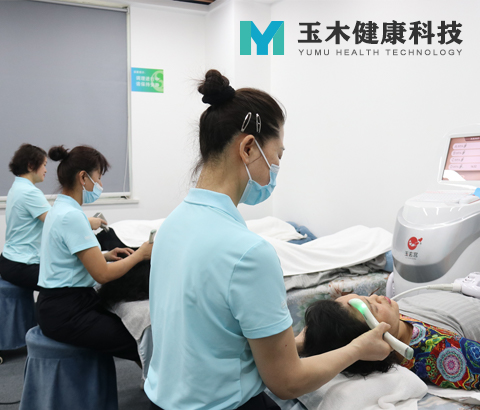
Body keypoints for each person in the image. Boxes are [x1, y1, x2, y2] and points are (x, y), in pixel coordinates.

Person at [144, 69, 392, 410]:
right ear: (248, 148)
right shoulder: (249, 253)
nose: (276, 167)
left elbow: (208, 335)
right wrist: (358, 349)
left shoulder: (171, 226)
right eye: (278, 155)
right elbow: (287, 382)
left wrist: (293, 345)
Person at [36, 145, 152, 361]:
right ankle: (157, 381)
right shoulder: (72, 217)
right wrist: (141, 255)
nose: (100, 185)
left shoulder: (60, 209)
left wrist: (106, 255)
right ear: (83, 177)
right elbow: (103, 275)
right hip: (67, 312)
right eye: (98, 178)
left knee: (132, 327)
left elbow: (68, 255)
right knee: (138, 339)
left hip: (58, 304)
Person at [302, 291, 480, 390]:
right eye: (373, 307)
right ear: (374, 338)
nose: (377, 297)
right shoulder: (443, 354)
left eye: (366, 296)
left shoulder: (395, 318)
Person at [0, 143, 108, 291]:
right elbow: (56, 221)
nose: (45, 170)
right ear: (31, 166)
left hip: (10, 258)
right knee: (75, 277)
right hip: (21, 263)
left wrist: (103, 256)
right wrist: (89, 222)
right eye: (44, 165)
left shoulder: (17, 187)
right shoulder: (29, 192)